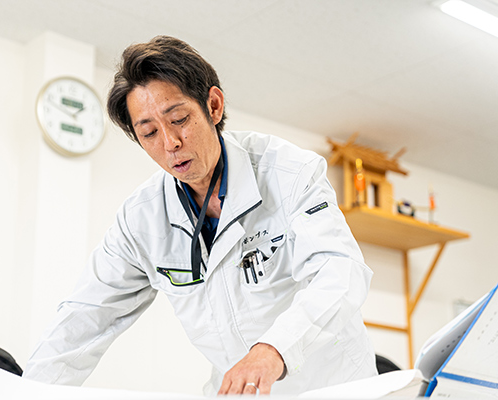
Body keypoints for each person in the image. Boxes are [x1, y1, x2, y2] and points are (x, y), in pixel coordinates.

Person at [24, 35, 377, 396]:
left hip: (334, 388)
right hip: (240, 391)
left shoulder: (290, 173)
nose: (170, 143)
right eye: (149, 132)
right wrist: (23, 394)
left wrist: (274, 349)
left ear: (214, 105)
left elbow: (340, 273)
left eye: (179, 119)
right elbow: (85, 318)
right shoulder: (142, 220)